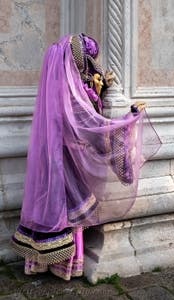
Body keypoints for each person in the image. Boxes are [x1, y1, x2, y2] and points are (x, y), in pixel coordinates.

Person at [11, 34, 160, 280]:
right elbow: (96, 129)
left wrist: (98, 90)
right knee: (71, 211)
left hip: (52, 163)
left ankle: (39, 262)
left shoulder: (55, 92)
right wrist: (129, 118)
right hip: (71, 166)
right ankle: (67, 266)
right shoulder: (74, 97)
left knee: (51, 205)